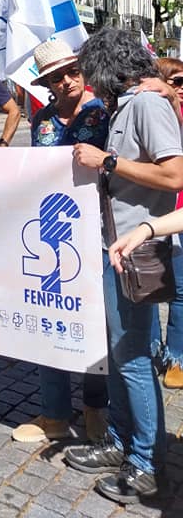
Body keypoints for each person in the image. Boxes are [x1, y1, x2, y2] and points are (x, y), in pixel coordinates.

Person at [66, 27, 183, 505]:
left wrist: (108, 161)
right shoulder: (130, 103)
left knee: (133, 357)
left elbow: (175, 174)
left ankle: (147, 463)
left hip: (137, 248)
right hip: (115, 246)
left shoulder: (147, 104)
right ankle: (120, 441)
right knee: (118, 352)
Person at [11, 38, 109, 444]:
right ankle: (54, 413)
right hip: (51, 233)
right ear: (47, 84)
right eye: (56, 77)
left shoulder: (103, 112)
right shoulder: (43, 119)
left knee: (97, 324)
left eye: (72, 72)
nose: (67, 81)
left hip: (100, 231)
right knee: (48, 318)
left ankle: (96, 410)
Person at [141, 57, 183, 389]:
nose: (182, 88)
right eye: (177, 81)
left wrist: (173, 102)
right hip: (148, 214)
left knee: (180, 290)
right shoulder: (144, 111)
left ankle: (177, 358)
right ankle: (152, 350)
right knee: (149, 288)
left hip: (179, 217)